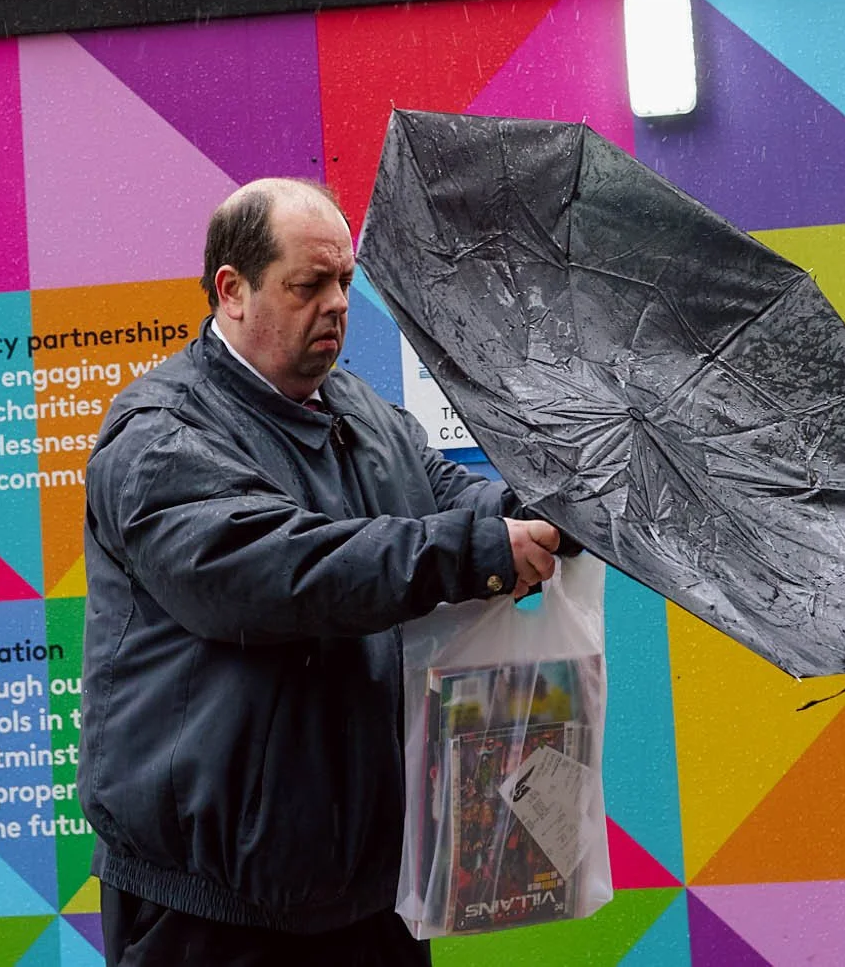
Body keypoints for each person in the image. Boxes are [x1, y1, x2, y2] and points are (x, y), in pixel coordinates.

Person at [79, 177, 562, 966]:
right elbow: (278, 571)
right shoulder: (160, 435)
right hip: (212, 914)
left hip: (371, 898)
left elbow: (448, 496)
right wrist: (470, 550)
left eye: (344, 280)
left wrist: (548, 512)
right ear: (231, 290)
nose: (338, 303)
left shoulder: (363, 409)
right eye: (310, 284)